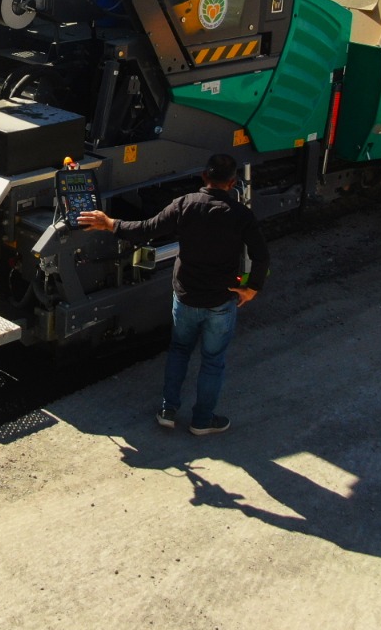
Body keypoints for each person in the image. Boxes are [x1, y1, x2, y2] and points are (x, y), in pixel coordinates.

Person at [78, 153, 269, 435]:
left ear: (204, 176)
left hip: (186, 296)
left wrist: (109, 223)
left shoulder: (184, 205)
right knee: (213, 360)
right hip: (221, 300)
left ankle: (168, 410)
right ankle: (202, 420)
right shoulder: (242, 216)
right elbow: (261, 256)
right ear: (232, 183)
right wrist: (251, 289)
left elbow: (144, 230)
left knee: (179, 350)